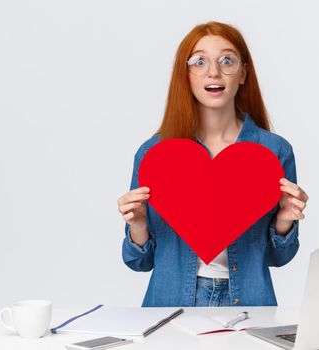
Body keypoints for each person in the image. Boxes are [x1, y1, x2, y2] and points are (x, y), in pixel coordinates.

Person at [117, 21, 308, 307]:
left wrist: (284, 221)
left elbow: (278, 257)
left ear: (243, 72)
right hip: (170, 304)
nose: (214, 72)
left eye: (227, 60)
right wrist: (139, 226)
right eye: (199, 61)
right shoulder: (155, 155)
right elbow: (138, 262)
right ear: (186, 74)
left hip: (248, 306)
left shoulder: (274, 152)